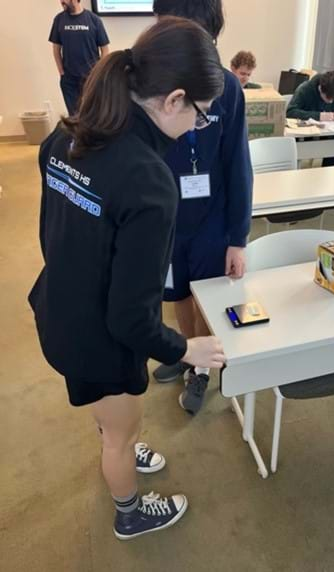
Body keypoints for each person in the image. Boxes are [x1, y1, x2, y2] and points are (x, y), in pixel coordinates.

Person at [29, 17, 226, 541]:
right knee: (121, 436)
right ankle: (130, 512)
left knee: (110, 417)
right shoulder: (148, 181)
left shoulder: (66, 135)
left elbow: (54, 235)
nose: (198, 127)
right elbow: (131, 319)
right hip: (98, 336)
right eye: (202, 116)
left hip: (58, 309)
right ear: (174, 99)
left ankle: (115, 427)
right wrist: (186, 349)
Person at [151, 0, 253, 415]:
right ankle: (184, 353)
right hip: (165, 219)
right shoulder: (149, 82)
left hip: (212, 216)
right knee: (177, 291)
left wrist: (238, 238)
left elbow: (237, 164)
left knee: (208, 295)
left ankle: (204, 372)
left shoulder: (227, 86)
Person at [49, 0, 110, 115]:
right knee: (74, 117)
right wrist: (62, 72)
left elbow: (105, 49)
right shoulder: (59, 20)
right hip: (69, 80)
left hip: (90, 79)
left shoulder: (94, 20)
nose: (61, 1)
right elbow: (56, 49)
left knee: (93, 115)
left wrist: (98, 73)